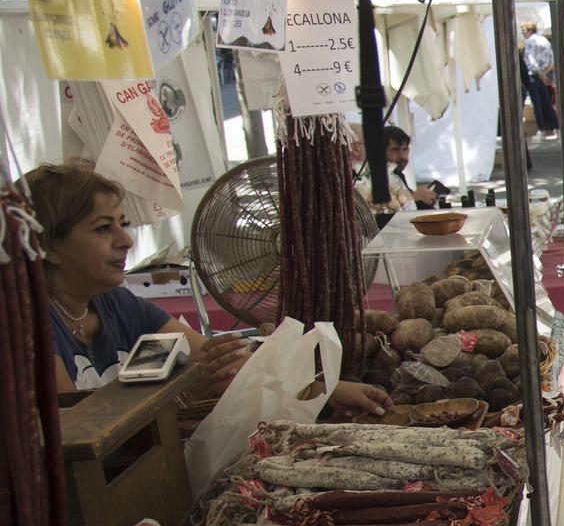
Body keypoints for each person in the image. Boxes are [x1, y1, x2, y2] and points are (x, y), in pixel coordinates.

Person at [26, 163, 389, 420]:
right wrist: (181, 393)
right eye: (103, 229)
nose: (126, 240)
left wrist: (327, 389)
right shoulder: (28, 327)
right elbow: (76, 427)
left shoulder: (117, 304)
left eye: (124, 224)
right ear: (48, 247)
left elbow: (218, 360)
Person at [522, 23, 558, 136]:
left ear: (528, 30)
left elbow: (529, 59)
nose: (522, 33)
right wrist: (545, 72)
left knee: (536, 103)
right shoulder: (544, 40)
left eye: (523, 30)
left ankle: (541, 128)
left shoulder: (529, 42)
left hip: (534, 74)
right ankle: (556, 125)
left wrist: (539, 73)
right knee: (546, 102)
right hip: (545, 73)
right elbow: (551, 58)